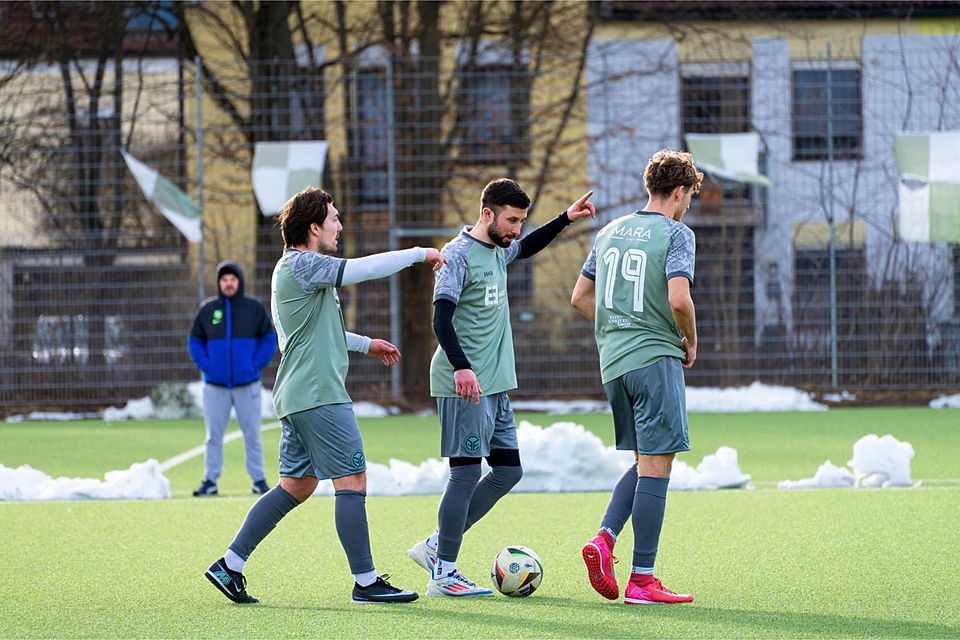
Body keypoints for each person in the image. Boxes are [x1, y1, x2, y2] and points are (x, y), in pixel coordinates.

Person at [203, 187, 446, 605]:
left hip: (300, 395)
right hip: (319, 396)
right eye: (334, 218)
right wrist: (419, 253)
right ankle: (367, 583)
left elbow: (313, 334)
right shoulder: (303, 265)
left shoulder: (292, 270)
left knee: (295, 486)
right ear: (313, 227)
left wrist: (366, 343)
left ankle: (230, 564)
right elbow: (362, 269)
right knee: (352, 480)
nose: (340, 224)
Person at [407, 178, 596, 597]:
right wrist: (461, 368)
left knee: (509, 470)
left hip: (495, 385)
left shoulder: (498, 249)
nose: (516, 229)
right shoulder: (457, 255)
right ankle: (445, 574)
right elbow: (440, 318)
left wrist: (565, 218)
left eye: (521, 220)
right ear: (487, 213)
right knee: (465, 473)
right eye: (511, 220)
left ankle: (438, 546)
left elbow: (526, 247)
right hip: (466, 384)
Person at [570, 149, 702, 605]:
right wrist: (689, 340)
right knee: (658, 464)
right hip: (654, 360)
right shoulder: (676, 233)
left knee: (645, 461)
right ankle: (642, 580)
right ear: (680, 191)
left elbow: (580, 297)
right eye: (689, 197)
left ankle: (604, 540)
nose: (687, 206)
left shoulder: (608, 231)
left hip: (615, 364)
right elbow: (680, 300)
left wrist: (618, 327)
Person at [188, 261, 277, 497]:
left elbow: (269, 338)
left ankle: (258, 480)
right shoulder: (208, 310)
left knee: (252, 435)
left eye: (232, 279)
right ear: (219, 283)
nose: (229, 283)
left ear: (239, 282)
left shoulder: (253, 309)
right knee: (213, 436)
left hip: (247, 384)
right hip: (215, 386)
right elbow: (195, 341)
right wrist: (206, 365)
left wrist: (255, 364)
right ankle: (210, 480)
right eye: (224, 280)